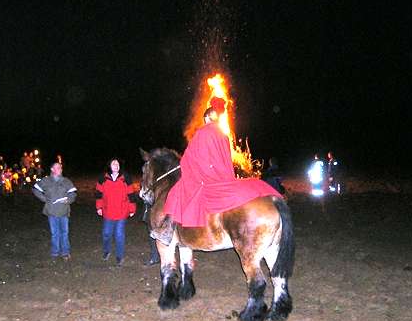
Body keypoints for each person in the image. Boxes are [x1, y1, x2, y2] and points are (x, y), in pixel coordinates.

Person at [162, 97, 281, 231]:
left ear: (207, 118)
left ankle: (167, 230)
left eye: (204, 118)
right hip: (224, 176)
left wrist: (185, 164)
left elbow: (190, 157)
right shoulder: (223, 135)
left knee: (175, 192)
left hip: (207, 178)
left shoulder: (202, 132)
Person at [95, 158, 136, 267]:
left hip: (122, 211)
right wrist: (99, 207)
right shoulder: (102, 178)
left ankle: (119, 256)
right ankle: (106, 250)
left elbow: (131, 194)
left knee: (119, 234)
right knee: (106, 233)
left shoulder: (125, 177)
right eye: (113, 164)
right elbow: (99, 194)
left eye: (117, 164)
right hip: (108, 211)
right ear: (109, 166)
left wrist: (132, 208)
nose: (116, 165)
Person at [33, 162, 77, 260]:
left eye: (61, 167)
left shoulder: (66, 181)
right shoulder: (46, 180)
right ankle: (55, 252)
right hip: (51, 212)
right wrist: (44, 199)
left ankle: (65, 252)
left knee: (64, 232)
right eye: (57, 167)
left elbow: (73, 193)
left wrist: (68, 200)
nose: (60, 169)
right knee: (54, 233)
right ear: (52, 169)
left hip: (64, 211)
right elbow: (35, 189)